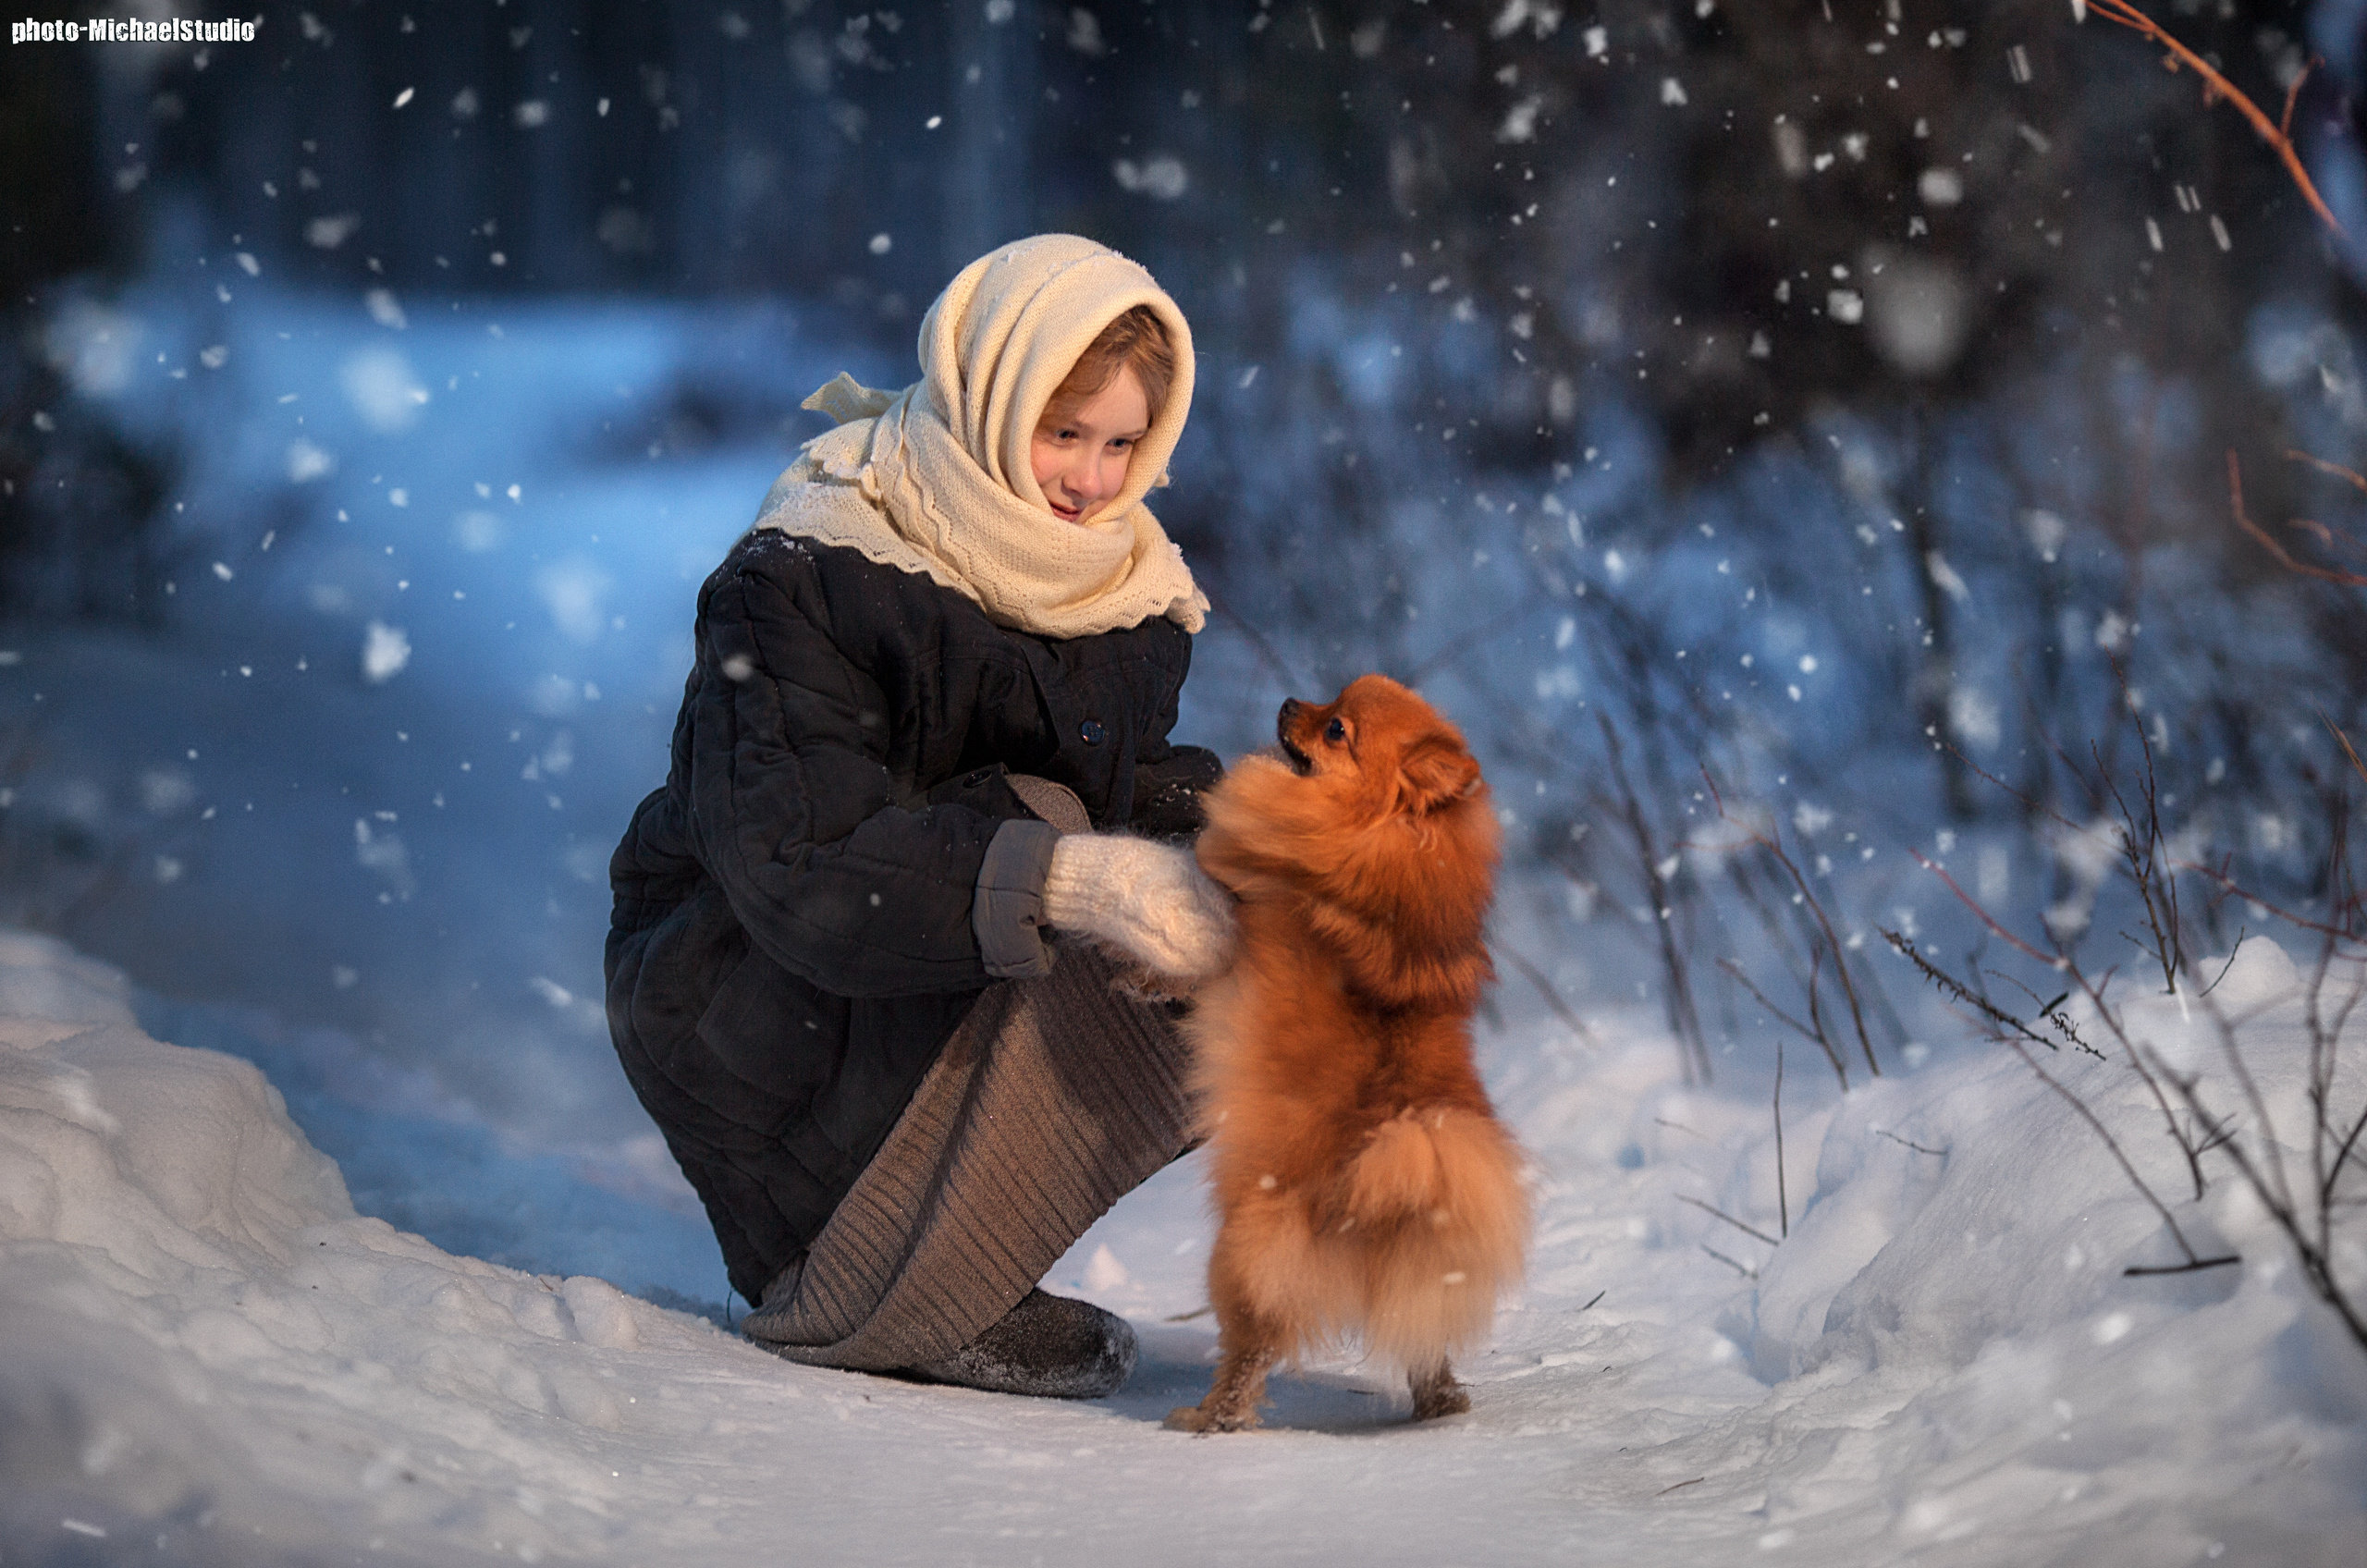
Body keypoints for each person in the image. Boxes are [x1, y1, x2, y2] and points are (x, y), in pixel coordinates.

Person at [604, 235, 1236, 1399]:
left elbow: (1130, 780)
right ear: (990, 395)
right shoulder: (813, 563)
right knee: (1045, 837)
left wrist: (1257, 849)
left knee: (1232, 915)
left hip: (908, 962)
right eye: (1062, 432)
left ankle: (961, 1264)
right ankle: (863, 1285)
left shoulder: (1116, 578)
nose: (1091, 480)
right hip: (751, 981)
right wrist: (1077, 880)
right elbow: (800, 862)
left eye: (1122, 442)